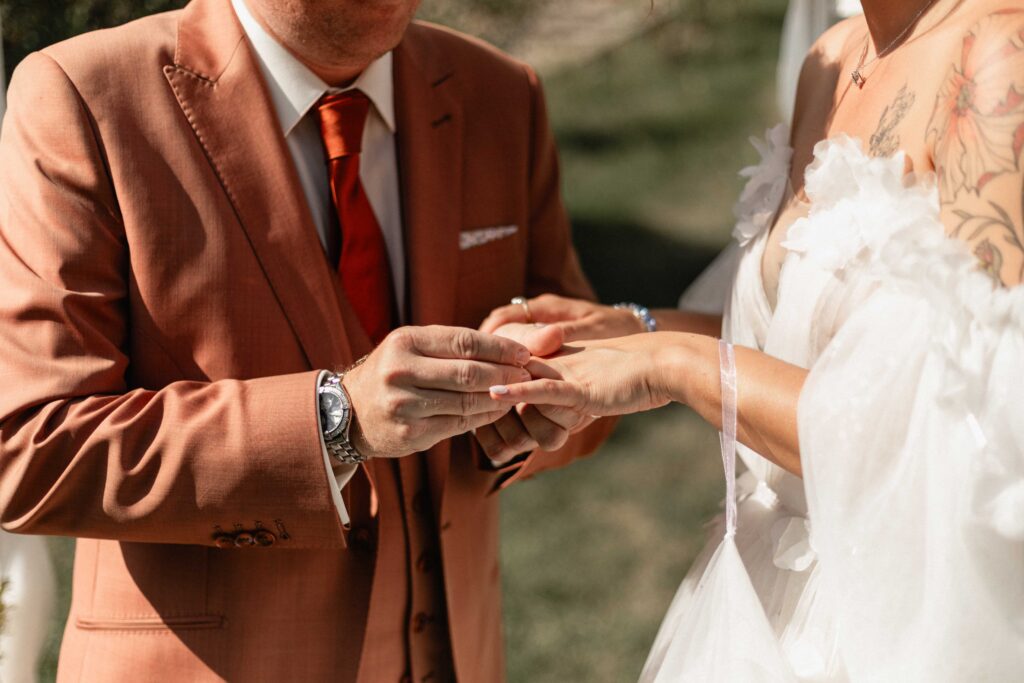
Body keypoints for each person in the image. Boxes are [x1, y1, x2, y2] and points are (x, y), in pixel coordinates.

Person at [0, 0, 613, 680]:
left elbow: (590, 361)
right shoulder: (84, 96)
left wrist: (537, 406)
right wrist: (336, 423)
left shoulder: (499, 90)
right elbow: (28, 447)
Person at [483, 0, 1024, 678]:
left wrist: (670, 364)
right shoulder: (836, 59)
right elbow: (810, 348)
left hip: (902, 618)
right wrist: (632, 329)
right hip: (767, 610)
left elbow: (966, 443)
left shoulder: (1001, 58)